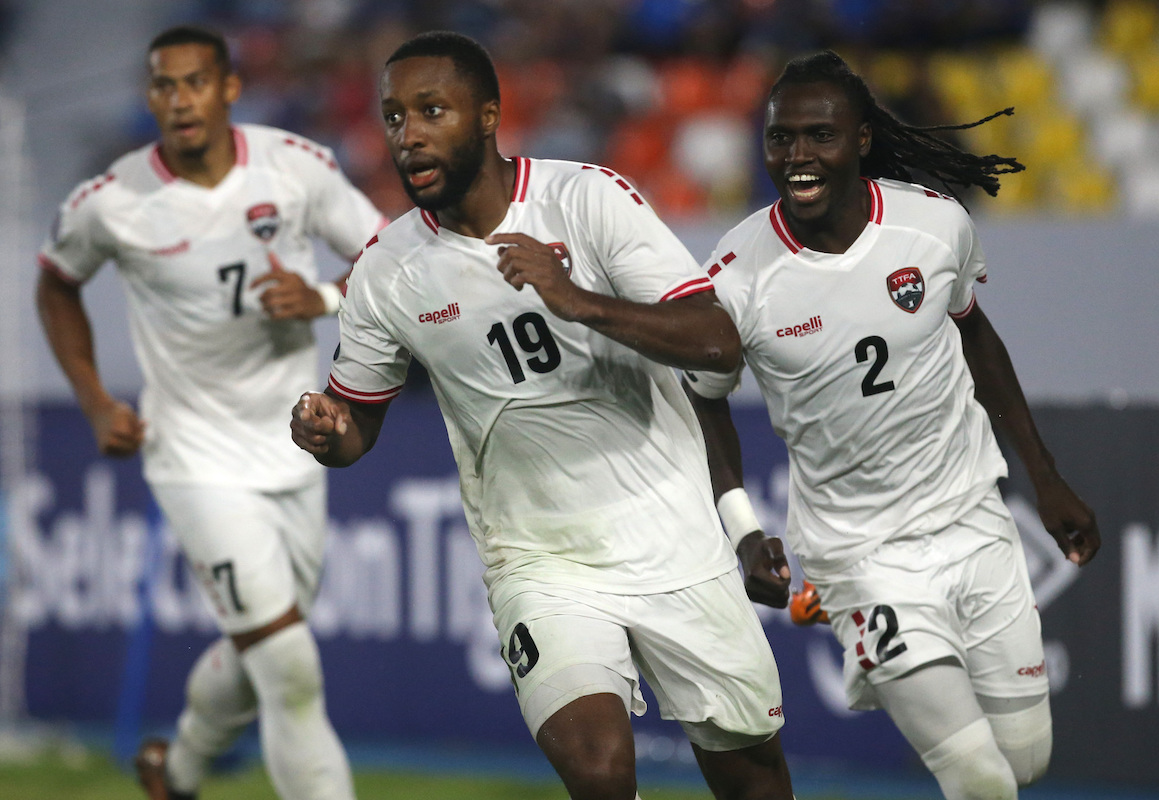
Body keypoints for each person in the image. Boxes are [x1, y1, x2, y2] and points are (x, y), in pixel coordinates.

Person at [290, 31, 793, 800]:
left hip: (672, 541)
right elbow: (356, 424)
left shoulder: (586, 199)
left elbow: (719, 345)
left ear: (488, 116)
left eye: (432, 110)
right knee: (597, 770)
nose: (409, 134)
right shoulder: (385, 272)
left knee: (752, 774)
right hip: (539, 561)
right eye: (393, 117)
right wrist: (328, 434)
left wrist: (575, 300)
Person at [683, 51, 1101, 800]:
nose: (797, 158)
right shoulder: (736, 272)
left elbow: (977, 337)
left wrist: (1047, 477)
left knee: (1026, 760)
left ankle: (864, 648)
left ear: (863, 139)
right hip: (857, 549)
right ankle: (863, 627)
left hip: (973, 517)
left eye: (819, 136)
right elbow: (706, 403)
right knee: (977, 778)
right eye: (781, 139)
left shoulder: (935, 226)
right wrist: (743, 531)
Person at [36, 25, 388, 800]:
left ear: (229, 88)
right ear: (150, 97)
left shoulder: (294, 167)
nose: (180, 98)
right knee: (290, 668)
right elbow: (56, 282)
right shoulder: (113, 201)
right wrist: (94, 400)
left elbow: (389, 253)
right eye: (164, 84)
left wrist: (325, 297)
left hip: (298, 446)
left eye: (196, 81)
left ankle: (179, 772)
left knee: (265, 642)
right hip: (194, 458)